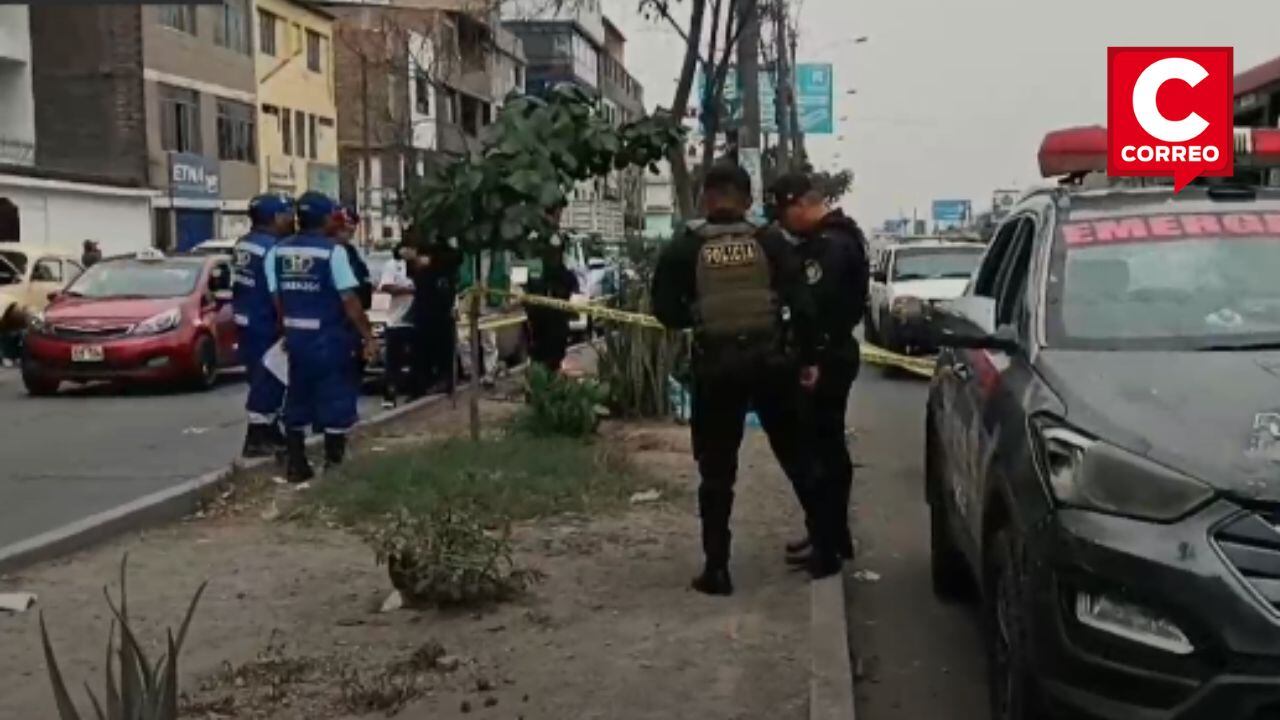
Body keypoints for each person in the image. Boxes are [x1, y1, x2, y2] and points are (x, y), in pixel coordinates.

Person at [651, 162, 839, 596]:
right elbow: (802, 305)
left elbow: (665, 311)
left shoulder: (686, 245)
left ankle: (717, 569)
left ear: (705, 197)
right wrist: (808, 358)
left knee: (717, 472)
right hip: (772, 365)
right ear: (748, 199)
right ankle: (826, 551)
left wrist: (702, 315)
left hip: (716, 368)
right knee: (798, 458)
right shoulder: (769, 241)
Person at [769, 173, 870, 565]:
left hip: (825, 359)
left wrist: (809, 358)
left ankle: (827, 547)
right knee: (828, 450)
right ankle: (831, 536)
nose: (784, 223)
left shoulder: (828, 246)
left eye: (784, 213)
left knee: (820, 455)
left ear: (801, 204)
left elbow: (812, 307)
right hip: (834, 354)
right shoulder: (842, 237)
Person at [266, 192, 379, 482]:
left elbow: (277, 297)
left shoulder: (278, 251)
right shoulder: (333, 252)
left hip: (296, 339)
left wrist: (286, 328)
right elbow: (349, 300)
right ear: (325, 218)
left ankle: (297, 464)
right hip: (329, 338)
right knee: (335, 399)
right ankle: (334, 465)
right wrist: (368, 336)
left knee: (297, 398)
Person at [233, 193, 295, 458]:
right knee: (270, 378)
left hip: (245, 320)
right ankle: (258, 436)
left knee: (259, 376)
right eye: (287, 214)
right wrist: (286, 324)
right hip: (265, 322)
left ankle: (269, 431)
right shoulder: (272, 249)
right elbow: (276, 293)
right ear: (275, 217)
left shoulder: (244, 244)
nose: (291, 219)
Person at [524, 201, 580, 374]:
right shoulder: (545, 237)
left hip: (550, 304)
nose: (559, 218)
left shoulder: (546, 236)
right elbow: (549, 267)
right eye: (558, 213)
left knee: (552, 347)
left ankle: (548, 377)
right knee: (545, 347)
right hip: (546, 304)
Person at [411, 241, 463, 393]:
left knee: (442, 346)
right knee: (423, 350)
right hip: (423, 309)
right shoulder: (422, 269)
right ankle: (424, 383)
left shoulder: (446, 258)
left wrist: (432, 261)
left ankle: (444, 379)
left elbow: (456, 257)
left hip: (441, 311)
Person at [379, 241, 418, 408]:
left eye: (412, 248)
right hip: (396, 321)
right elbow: (387, 286)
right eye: (406, 248)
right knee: (393, 362)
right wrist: (410, 290)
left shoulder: (420, 266)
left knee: (415, 360)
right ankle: (389, 396)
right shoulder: (392, 265)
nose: (409, 251)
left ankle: (414, 392)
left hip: (415, 321)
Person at [334, 205, 373, 310]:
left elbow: (363, 275)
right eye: (345, 230)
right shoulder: (329, 251)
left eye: (352, 232)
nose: (350, 235)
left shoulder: (351, 251)